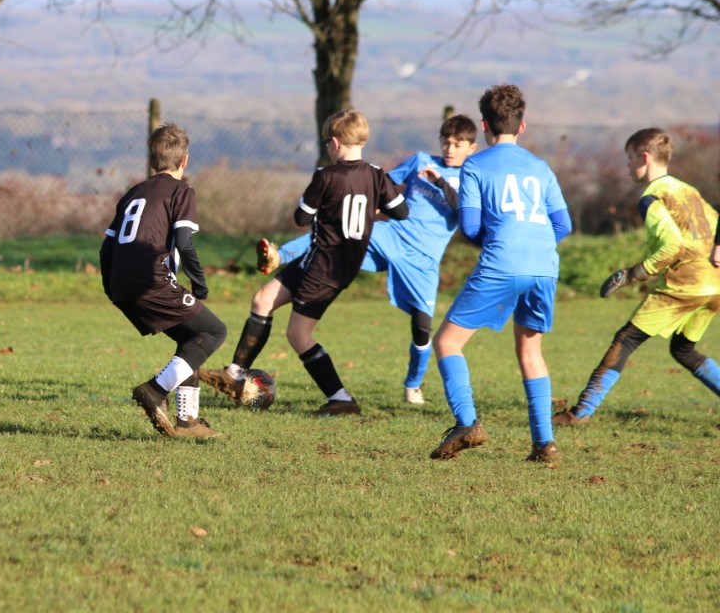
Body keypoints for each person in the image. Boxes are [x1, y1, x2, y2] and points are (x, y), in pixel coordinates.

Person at [246, 114, 478, 405]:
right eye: (446, 142)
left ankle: (412, 385)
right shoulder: (420, 160)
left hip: (423, 259)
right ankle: (282, 255)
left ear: (471, 148)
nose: (450, 149)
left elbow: (466, 211)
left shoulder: (472, 175)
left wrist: (440, 182)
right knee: (334, 237)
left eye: (458, 144)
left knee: (422, 328)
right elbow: (379, 186)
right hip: (390, 235)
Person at [203, 108, 409, 415]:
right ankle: (234, 373)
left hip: (325, 266)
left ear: (336, 142)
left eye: (327, 142)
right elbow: (401, 212)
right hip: (329, 262)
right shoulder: (377, 175)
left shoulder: (326, 176)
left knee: (298, 334)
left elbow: (301, 218)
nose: (327, 147)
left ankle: (340, 398)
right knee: (262, 300)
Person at [428, 84, 571, 463]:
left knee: (447, 343)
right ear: (522, 126)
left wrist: (499, 241)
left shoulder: (476, 164)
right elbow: (563, 225)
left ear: (483, 125)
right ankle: (545, 444)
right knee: (530, 350)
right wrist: (534, 243)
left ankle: (467, 423)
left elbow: (471, 227)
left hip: (502, 263)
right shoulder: (540, 167)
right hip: (545, 265)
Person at [553, 129, 720, 427]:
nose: (628, 166)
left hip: (686, 283)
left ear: (644, 158)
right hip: (715, 282)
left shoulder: (651, 196)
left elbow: (673, 245)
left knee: (626, 339)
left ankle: (580, 413)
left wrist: (632, 274)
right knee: (683, 349)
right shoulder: (688, 190)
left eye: (629, 159)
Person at [100, 122, 228, 438]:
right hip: (152, 280)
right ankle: (155, 390)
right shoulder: (181, 190)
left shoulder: (133, 193)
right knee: (214, 331)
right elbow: (184, 242)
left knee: (191, 341)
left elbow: (106, 248)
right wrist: (199, 283)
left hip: (121, 285)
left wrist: (112, 288)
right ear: (185, 161)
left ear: (151, 160)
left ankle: (188, 421)